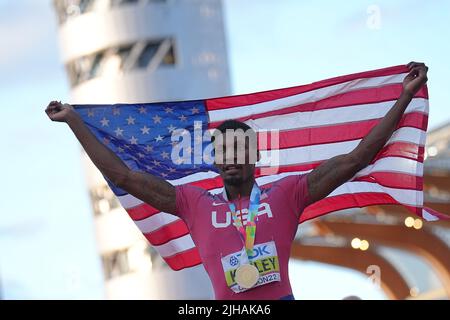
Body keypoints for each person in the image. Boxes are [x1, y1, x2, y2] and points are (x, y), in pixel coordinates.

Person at [45, 62, 428, 300]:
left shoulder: (286, 194)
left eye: (237, 152)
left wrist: (404, 98)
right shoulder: (194, 203)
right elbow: (124, 176)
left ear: (254, 157)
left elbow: (357, 158)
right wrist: (75, 122)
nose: (229, 161)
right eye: (222, 154)